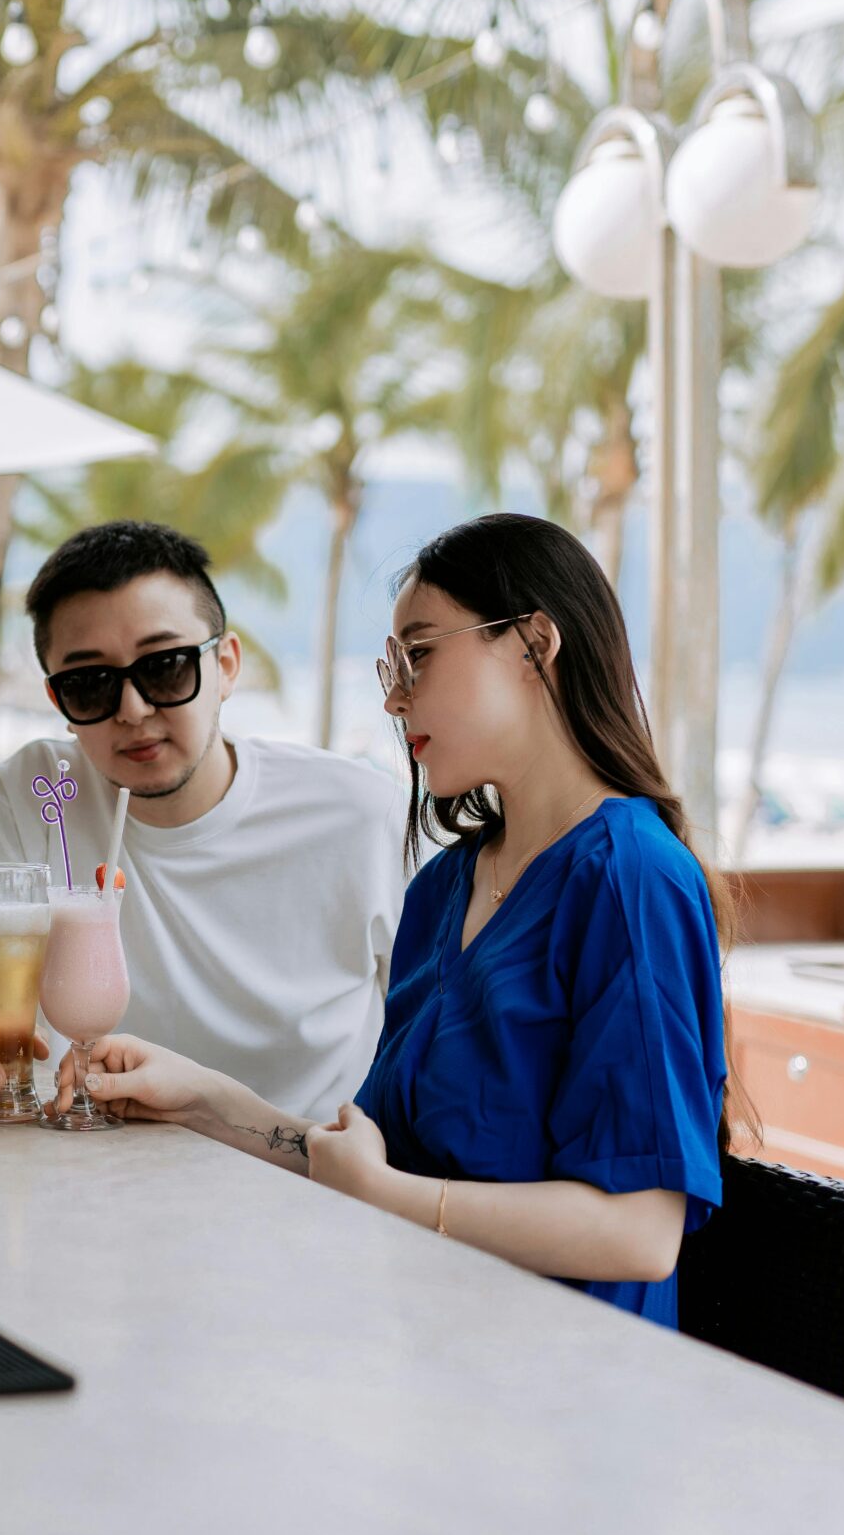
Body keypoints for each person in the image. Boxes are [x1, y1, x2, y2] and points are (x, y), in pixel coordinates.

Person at [62, 514, 731, 1331]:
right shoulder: (447, 884)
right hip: (415, 1347)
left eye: (418, 655)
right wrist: (200, 1098)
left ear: (534, 644)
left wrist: (389, 1196)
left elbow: (638, 1236)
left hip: (561, 1394)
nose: (392, 694)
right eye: (391, 664)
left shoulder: (631, 880)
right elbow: (366, 1163)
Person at [0, 521, 403, 1122]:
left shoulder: (360, 814)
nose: (133, 709)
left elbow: (438, 1035)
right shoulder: (40, 793)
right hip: (92, 1183)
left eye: (166, 667)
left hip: (307, 1186)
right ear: (58, 702)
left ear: (226, 666)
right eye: (90, 684)